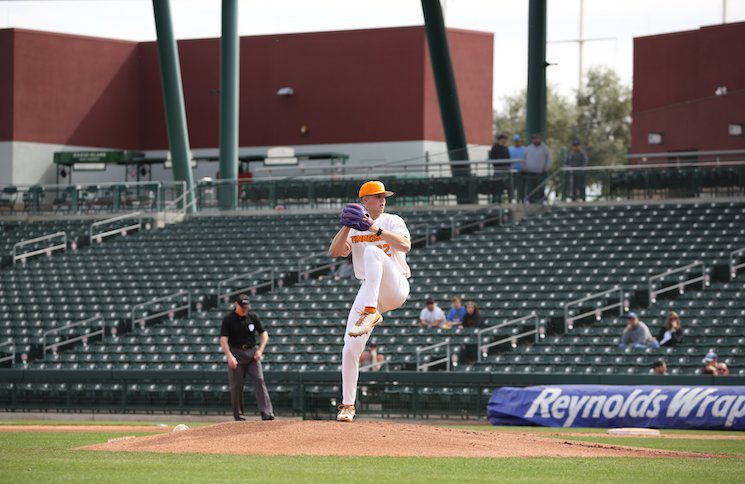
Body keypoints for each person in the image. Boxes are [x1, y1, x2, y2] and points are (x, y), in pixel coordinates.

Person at [328, 180, 411, 422]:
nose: (383, 199)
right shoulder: (354, 229)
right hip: (369, 289)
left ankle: (371, 311)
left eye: (384, 196)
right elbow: (335, 251)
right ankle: (347, 406)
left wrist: (374, 230)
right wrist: (345, 226)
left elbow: (406, 245)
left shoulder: (392, 221)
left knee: (374, 251)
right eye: (377, 196)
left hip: (395, 286)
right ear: (364, 201)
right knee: (350, 346)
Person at [219, 294, 274, 421]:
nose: (245, 309)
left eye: (246, 307)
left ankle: (267, 413)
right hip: (236, 353)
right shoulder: (228, 319)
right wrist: (229, 356)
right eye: (242, 306)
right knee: (237, 384)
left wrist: (260, 350)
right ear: (236, 305)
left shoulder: (252, 317)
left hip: (252, 353)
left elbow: (264, 334)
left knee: (259, 380)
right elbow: (223, 340)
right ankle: (239, 415)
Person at [523, 134, 552, 203]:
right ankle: (529, 200)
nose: (535, 140)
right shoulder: (528, 148)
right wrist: (525, 167)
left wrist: (547, 167)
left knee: (541, 188)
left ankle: (542, 200)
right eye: (533, 138)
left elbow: (549, 159)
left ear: (540, 139)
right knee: (530, 188)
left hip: (541, 172)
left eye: (537, 138)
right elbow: (524, 159)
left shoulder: (545, 148)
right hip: (530, 172)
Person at [488, 133, 512, 202]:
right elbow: (492, 159)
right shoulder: (495, 147)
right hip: (498, 171)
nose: (505, 141)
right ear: (500, 140)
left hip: (506, 171)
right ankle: (495, 201)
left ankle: (508, 202)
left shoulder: (506, 148)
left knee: (507, 187)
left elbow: (508, 158)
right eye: (503, 140)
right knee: (497, 187)